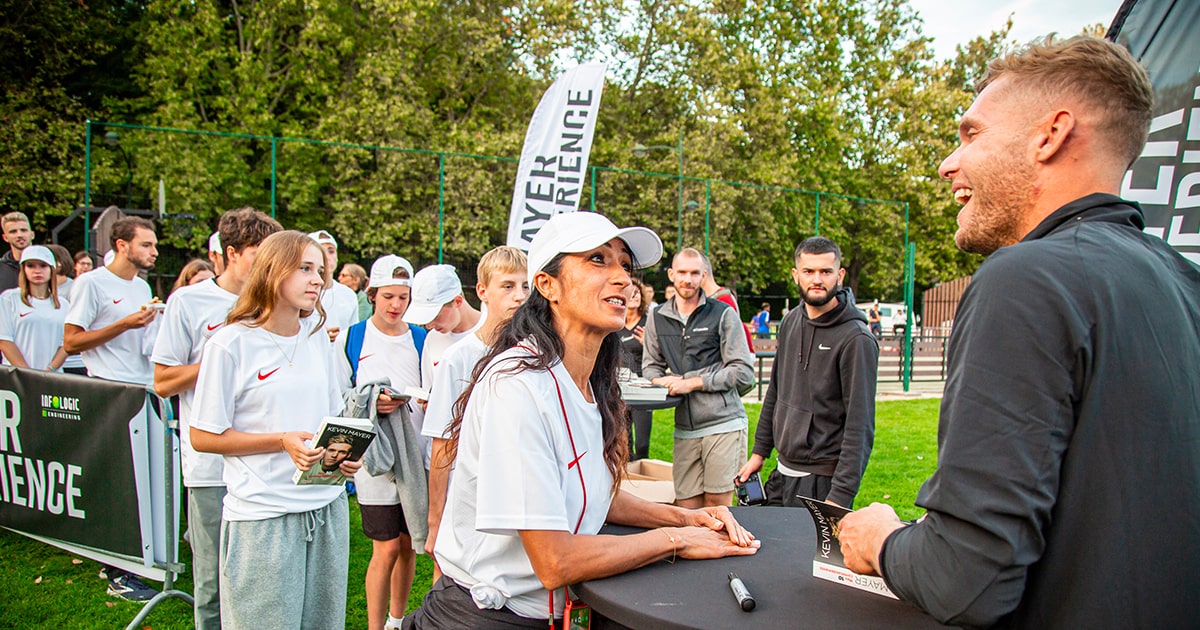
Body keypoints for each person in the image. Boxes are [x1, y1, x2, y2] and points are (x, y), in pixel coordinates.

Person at [837, 36, 1200, 628]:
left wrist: (883, 541)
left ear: (1050, 135)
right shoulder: (1186, 281)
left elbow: (967, 582)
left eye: (971, 134)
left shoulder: (1027, 277)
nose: (947, 164)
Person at [403, 211, 759, 629]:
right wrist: (676, 540)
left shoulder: (590, 383)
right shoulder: (516, 386)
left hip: (557, 611)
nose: (623, 278)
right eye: (597, 260)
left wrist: (684, 516)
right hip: (489, 616)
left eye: (625, 265)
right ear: (547, 284)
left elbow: (594, 494)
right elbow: (554, 561)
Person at [190, 230, 358, 629]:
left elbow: (329, 419)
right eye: (304, 268)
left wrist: (344, 457)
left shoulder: (317, 339)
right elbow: (203, 436)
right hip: (262, 518)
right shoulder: (231, 343)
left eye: (320, 269)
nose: (318, 279)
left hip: (325, 510)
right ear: (271, 271)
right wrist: (280, 441)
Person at [151, 206, 281, 630]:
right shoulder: (189, 301)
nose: (266, 264)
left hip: (269, 466)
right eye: (257, 253)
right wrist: (221, 359)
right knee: (212, 582)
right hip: (210, 467)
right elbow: (163, 381)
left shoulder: (278, 302)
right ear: (230, 253)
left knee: (262, 581)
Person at [736, 237, 878, 508]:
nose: (817, 279)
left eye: (826, 271)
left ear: (840, 275)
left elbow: (860, 426)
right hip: (782, 471)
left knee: (809, 552)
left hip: (822, 481)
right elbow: (776, 392)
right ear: (795, 275)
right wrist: (759, 452)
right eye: (808, 271)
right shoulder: (790, 321)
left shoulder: (856, 338)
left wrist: (840, 496)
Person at [333, 253, 427, 630]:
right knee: (385, 547)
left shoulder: (421, 337)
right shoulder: (353, 337)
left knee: (408, 545)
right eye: (389, 296)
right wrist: (373, 402)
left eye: (403, 297)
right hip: (374, 459)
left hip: (414, 453)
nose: (396, 305)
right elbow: (340, 395)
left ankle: (396, 620)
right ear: (372, 294)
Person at [422, 246, 528, 581]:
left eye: (526, 287)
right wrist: (435, 522)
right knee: (453, 584)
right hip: (465, 498)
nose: (519, 296)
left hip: (516, 495)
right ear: (482, 291)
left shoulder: (536, 354)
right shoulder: (459, 358)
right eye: (508, 286)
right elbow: (442, 446)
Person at [642, 247, 755, 508]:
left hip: (723, 423)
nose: (687, 279)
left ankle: (722, 549)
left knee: (718, 505)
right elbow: (650, 367)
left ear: (703, 275)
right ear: (671, 274)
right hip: (685, 427)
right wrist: (661, 382)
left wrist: (691, 382)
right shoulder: (657, 317)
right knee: (686, 505)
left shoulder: (722, 313)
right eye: (682, 272)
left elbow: (743, 370)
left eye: (694, 273)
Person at [402, 264, 482, 390]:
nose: (429, 326)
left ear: (457, 301)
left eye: (435, 317)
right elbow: (429, 390)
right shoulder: (432, 339)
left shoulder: (492, 332)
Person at [0, 246, 69, 371]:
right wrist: (28, 374)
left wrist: (50, 370)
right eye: (31, 266)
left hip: (52, 378)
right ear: (24, 269)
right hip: (16, 377)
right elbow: (4, 341)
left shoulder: (64, 305)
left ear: (51, 269)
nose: (37, 271)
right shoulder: (8, 299)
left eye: (43, 265)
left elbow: (65, 344)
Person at [618, 276, 653, 460]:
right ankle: (628, 477)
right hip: (620, 388)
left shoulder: (649, 322)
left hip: (643, 388)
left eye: (638, 293)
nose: (635, 296)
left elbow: (660, 356)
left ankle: (644, 475)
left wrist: (649, 344)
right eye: (632, 292)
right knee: (624, 441)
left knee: (642, 443)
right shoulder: (615, 322)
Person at [308, 229, 360, 341]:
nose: (327, 256)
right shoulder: (303, 292)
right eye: (321, 251)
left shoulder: (349, 295)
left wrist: (342, 338)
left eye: (331, 251)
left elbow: (353, 335)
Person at [0, 212, 34, 293]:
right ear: (5, 238)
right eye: (13, 232)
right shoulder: (1, 268)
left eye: (23, 230)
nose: (19, 235)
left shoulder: (48, 264)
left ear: (32, 234)